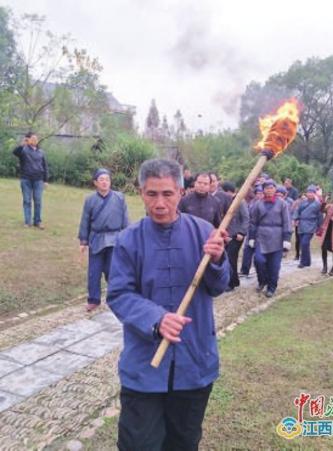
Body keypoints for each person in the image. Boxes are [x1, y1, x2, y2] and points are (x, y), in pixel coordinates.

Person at [106, 159, 230, 450]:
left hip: (194, 362)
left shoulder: (204, 232)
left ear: (181, 192)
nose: (159, 203)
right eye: (152, 194)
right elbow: (119, 294)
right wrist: (157, 319)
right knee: (138, 443)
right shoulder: (128, 240)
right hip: (144, 366)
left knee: (183, 442)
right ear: (141, 193)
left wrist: (217, 260)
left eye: (167, 194)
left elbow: (219, 287)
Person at [78, 168, 129, 312]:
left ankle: (114, 297)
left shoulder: (119, 198)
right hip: (96, 239)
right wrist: (83, 241)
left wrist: (127, 237)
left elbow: (125, 219)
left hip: (114, 238)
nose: (105, 182)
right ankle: (94, 299)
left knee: (112, 270)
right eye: (101, 180)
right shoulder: (90, 200)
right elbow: (85, 220)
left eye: (107, 179)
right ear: (95, 182)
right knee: (94, 271)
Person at [249, 179, 291, 297]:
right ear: (263, 190)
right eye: (267, 188)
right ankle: (262, 280)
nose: (269, 190)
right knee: (259, 260)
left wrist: (286, 238)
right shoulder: (258, 204)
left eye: (271, 188)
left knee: (274, 266)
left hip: (277, 237)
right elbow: (253, 222)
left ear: (275, 189)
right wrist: (251, 237)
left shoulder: (282, 204)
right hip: (261, 236)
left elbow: (287, 222)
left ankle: (271, 287)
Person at [13, 132, 49, 229]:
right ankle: (27, 222)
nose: (35, 140)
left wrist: (45, 180)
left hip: (38, 180)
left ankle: (37, 222)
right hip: (26, 179)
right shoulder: (23, 150)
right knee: (27, 201)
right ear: (28, 139)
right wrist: (22, 144)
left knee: (38, 201)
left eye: (36, 139)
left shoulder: (41, 152)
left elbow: (45, 166)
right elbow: (15, 152)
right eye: (32, 138)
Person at [221, 181, 249, 291]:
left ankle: (231, 283)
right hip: (226, 235)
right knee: (227, 258)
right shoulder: (225, 201)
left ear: (228, 191)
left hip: (237, 236)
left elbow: (246, 218)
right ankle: (234, 280)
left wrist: (242, 233)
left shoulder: (240, 201)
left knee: (231, 258)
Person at [293, 185, 323, 268]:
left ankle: (302, 262)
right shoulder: (302, 202)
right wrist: (295, 219)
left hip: (311, 225)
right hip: (301, 225)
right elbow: (297, 211)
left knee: (304, 243)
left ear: (314, 194)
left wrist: (319, 227)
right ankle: (308, 261)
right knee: (303, 244)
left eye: (312, 192)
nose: (310, 194)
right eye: (308, 192)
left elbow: (320, 216)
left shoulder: (317, 204)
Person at [240, 185, 264, 277]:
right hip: (251, 229)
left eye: (261, 193)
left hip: (261, 230)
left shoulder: (265, 204)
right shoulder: (251, 203)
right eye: (257, 193)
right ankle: (244, 270)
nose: (259, 195)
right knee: (247, 249)